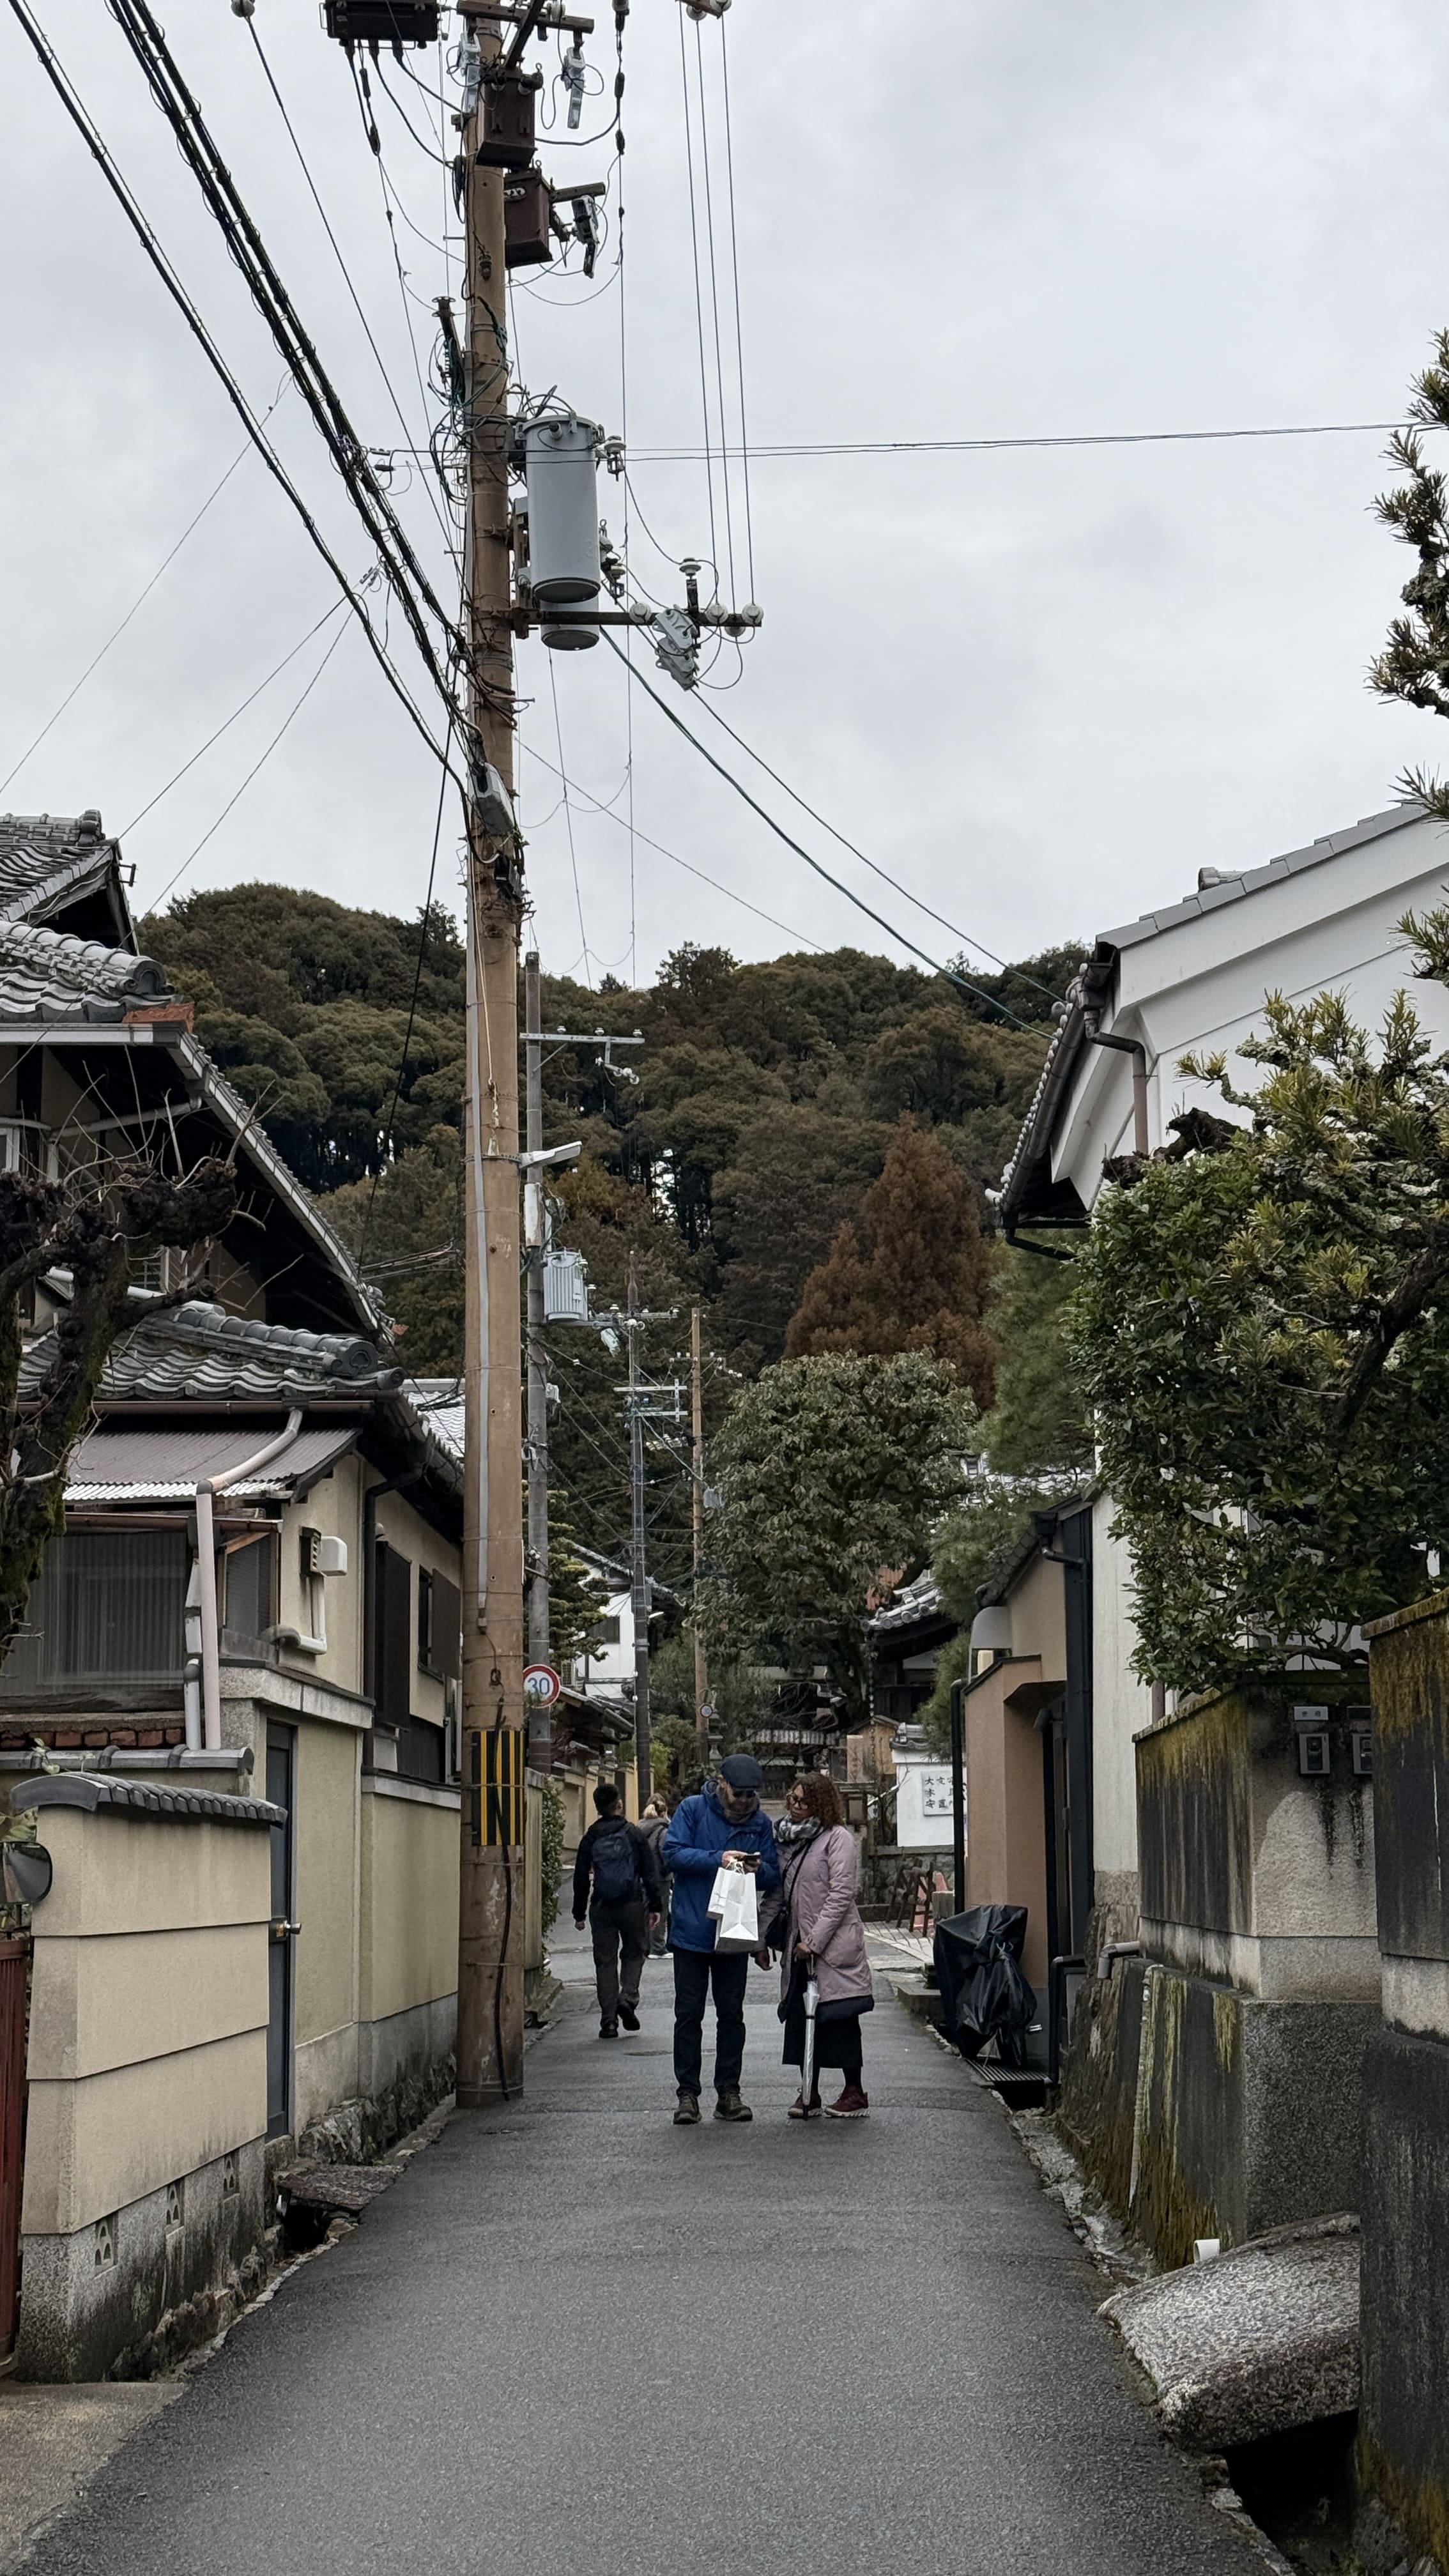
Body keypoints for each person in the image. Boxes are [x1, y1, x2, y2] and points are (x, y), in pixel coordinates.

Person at [662, 1753, 779, 2126]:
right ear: (722, 1783)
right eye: (739, 1793)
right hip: (692, 1930)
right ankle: (687, 2095)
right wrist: (719, 1858)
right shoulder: (693, 1809)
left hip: (734, 1933)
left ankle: (729, 2091)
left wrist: (753, 1868)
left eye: (751, 1795)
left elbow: (773, 1873)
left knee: (732, 2015)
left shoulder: (760, 1823)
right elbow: (672, 1853)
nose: (745, 1800)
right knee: (688, 2014)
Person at [772, 1772, 873, 2119]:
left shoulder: (837, 1838)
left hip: (832, 1945)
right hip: (798, 1945)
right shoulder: (787, 1840)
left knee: (840, 2016)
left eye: (804, 1801)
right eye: (793, 1799)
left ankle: (854, 2091)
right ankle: (808, 2091)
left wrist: (814, 1941)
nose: (796, 1807)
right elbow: (780, 1892)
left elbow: (841, 1893)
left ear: (821, 1804)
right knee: (802, 2017)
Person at [572, 1782, 662, 2038]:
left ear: (597, 1807)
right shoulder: (632, 1833)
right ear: (619, 1804)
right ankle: (628, 1997)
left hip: (601, 1906)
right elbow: (649, 1871)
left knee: (605, 1962)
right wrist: (655, 1906)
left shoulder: (591, 1836)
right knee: (635, 1953)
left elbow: (580, 1877)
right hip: (632, 1904)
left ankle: (608, 2022)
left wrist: (579, 1914)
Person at [640, 1797, 671, 1955]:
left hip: (642, 1876)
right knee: (661, 1911)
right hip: (660, 1877)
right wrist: (670, 1870)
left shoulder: (639, 1827)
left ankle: (646, 1946)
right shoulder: (663, 1830)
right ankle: (658, 1947)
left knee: (645, 1911)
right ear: (664, 1812)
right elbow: (665, 1854)